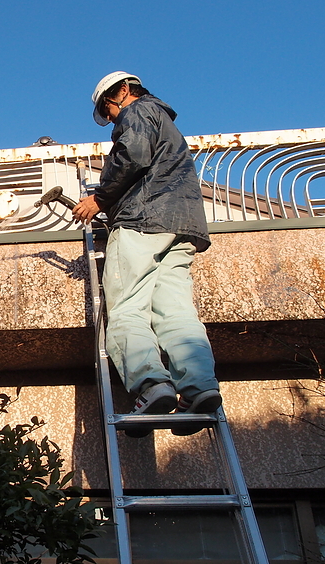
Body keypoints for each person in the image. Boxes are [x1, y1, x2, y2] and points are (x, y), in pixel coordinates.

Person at [72, 71, 220, 436]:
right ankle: (199, 387)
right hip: (183, 226)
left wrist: (100, 198)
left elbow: (133, 155)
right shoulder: (165, 121)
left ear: (123, 91)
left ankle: (151, 384)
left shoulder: (137, 113)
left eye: (107, 108)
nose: (109, 118)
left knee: (127, 308)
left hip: (143, 221)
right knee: (176, 312)